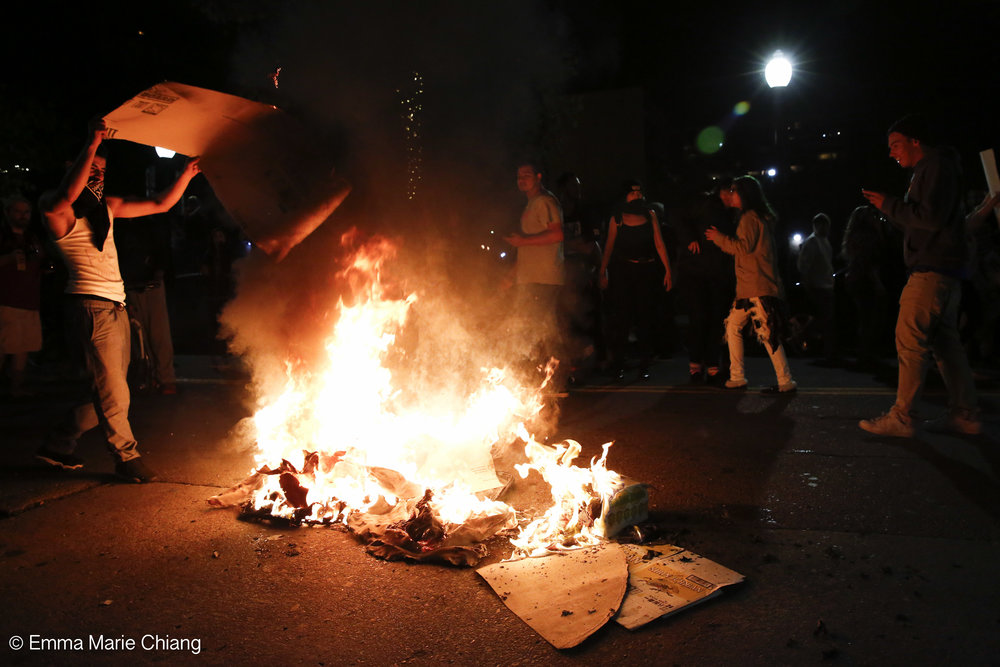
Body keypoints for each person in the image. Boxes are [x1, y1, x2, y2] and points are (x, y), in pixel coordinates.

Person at [34, 118, 200, 482]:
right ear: (72, 167)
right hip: (90, 306)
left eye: (102, 171)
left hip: (116, 306)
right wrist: (91, 146)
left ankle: (58, 444)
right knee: (113, 391)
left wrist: (187, 173)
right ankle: (127, 458)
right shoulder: (57, 209)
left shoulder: (105, 208)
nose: (97, 176)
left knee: (111, 389)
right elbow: (65, 195)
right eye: (91, 169)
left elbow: (159, 203)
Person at [860, 113, 978, 436]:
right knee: (946, 345)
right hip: (945, 269)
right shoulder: (938, 167)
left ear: (916, 141)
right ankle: (965, 414)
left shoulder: (934, 166)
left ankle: (904, 416)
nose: (891, 152)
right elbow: (927, 220)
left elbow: (929, 218)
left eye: (896, 144)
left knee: (910, 338)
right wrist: (891, 209)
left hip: (931, 269)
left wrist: (891, 205)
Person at [706, 175, 797, 394]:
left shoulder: (750, 217)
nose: (731, 195)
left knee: (766, 334)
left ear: (744, 194)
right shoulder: (759, 217)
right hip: (752, 285)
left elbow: (742, 248)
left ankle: (784, 380)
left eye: (735, 191)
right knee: (735, 327)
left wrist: (718, 238)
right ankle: (738, 376)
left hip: (756, 285)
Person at [597, 180, 673, 380]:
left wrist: (668, 270)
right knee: (622, 318)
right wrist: (602, 271)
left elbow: (659, 242)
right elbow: (609, 245)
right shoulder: (618, 217)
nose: (637, 196)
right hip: (624, 271)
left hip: (646, 271)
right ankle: (618, 364)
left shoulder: (650, 214)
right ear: (625, 195)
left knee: (644, 318)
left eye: (639, 193)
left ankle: (644, 364)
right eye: (633, 193)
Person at [503, 161, 566, 367]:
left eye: (527, 175)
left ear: (539, 177)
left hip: (544, 277)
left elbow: (557, 234)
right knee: (533, 327)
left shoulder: (544, 201)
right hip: (531, 278)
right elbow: (526, 248)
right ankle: (544, 376)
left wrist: (522, 241)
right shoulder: (531, 204)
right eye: (519, 176)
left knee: (542, 328)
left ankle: (556, 376)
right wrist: (511, 276)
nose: (522, 180)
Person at [674, 185, 735, 385]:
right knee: (699, 318)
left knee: (715, 320)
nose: (731, 196)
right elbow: (681, 217)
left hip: (717, 274)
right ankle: (696, 366)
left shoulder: (732, 213)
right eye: (729, 192)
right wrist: (689, 239)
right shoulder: (706, 204)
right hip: (696, 272)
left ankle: (712, 365)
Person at [115, 213, 177, 394]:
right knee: (137, 336)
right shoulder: (119, 226)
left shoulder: (150, 224)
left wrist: (158, 273)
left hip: (151, 285)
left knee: (159, 333)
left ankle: (166, 378)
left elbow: (162, 250)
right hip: (130, 286)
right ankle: (147, 377)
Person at [0, 195, 45, 396]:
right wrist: (8, 259)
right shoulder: (2, 237)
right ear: (8, 212)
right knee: (4, 344)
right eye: (18, 211)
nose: (23, 216)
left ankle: (16, 389)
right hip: (6, 300)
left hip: (30, 300)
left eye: (26, 212)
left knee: (24, 345)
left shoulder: (32, 238)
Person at [841, 205, 891, 368]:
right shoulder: (868, 236)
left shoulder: (854, 236)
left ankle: (865, 352)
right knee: (870, 317)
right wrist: (877, 282)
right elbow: (869, 262)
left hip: (856, 279)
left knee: (865, 317)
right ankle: (867, 353)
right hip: (865, 280)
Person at [796, 212, 838, 363]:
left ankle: (824, 347)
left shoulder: (823, 241)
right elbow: (804, 265)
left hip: (825, 284)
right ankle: (826, 350)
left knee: (825, 318)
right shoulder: (812, 242)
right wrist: (808, 284)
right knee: (825, 318)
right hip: (818, 285)